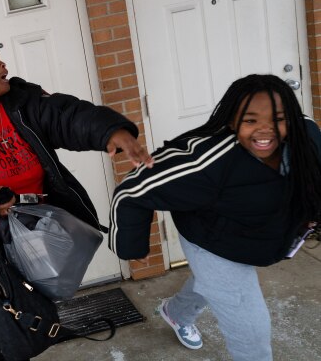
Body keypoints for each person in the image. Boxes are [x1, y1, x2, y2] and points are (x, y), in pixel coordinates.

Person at [0, 37, 153, 361]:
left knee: (20, 331)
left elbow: (66, 115)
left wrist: (109, 131)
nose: (3, 65)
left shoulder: (23, 102)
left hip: (21, 244)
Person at [108, 74, 321, 360]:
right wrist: (132, 248)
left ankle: (176, 312)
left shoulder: (307, 136)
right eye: (250, 120)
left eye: (278, 119)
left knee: (210, 283)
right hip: (211, 238)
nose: (265, 130)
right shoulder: (209, 158)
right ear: (232, 121)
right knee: (252, 332)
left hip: (255, 231)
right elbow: (131, 190)